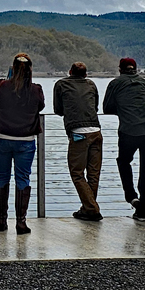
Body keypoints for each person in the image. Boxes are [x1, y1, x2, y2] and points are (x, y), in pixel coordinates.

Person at [0, 53, 44, 233]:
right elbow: (40, 106)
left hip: (2, 136)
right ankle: (21, 222)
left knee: (2, 177)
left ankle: (1, 220)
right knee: (23, 178)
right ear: (30, 69)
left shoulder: (2, 86)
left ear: (12, 68)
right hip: (25, 140)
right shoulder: (36, 89)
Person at [103, 57, 145, 222]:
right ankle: (144, 208)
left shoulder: (115, 83)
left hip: (129, 130)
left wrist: (123, 109)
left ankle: (131, 197)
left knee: (123, 162)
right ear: (135, 69)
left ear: (120, 69)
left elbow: (107, 108)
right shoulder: (144, 82)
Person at [53, 62, 103, 220]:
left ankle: (92, 208)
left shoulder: (61, 84)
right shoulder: (91, 84)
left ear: (69, 72)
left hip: (78, 134)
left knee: (77, 173)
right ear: (86, 74)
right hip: (96, 131)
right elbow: (95, 107)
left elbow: (58, 109)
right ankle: (88, 208)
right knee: (93, 174)